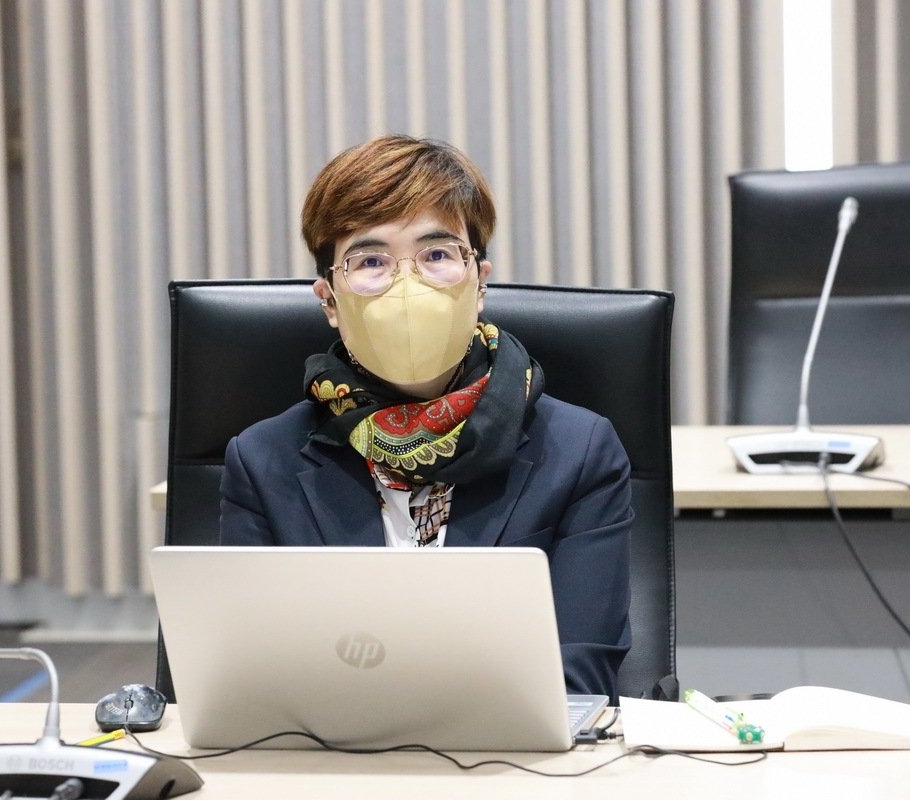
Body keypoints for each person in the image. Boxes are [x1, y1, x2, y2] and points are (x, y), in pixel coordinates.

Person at [219, 135, 633, 697]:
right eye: (371, 261)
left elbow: (577, 678)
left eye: (437, 255)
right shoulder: (261, 461)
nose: (407, 287)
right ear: (329, 300)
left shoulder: (580, 451)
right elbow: (248, 676)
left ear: (480, 282)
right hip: (327, 747)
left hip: (506, 750)